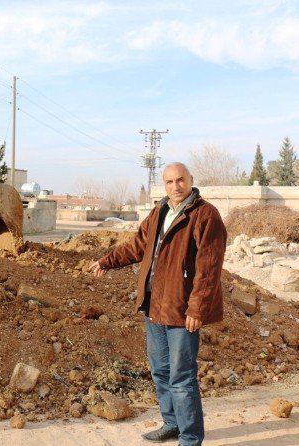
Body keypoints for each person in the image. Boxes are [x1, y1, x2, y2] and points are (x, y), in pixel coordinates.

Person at [89, 162, 226, 446]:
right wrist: (107, 261)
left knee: (182, 377)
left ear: (191, 180)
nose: (175, 187)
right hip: (154, 308)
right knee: (161, 371)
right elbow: (137, 246)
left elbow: (208, 268)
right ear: (163, 185)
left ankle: (190, 438)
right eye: (169, 182)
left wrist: (197, 309)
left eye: (180, 180)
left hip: (181, 311)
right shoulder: (159, 211)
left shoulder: (204, 215)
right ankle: (172, 424)